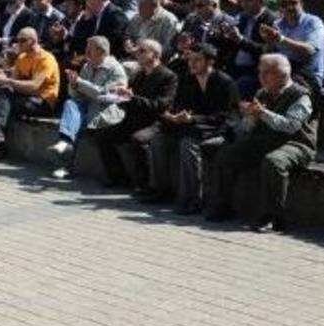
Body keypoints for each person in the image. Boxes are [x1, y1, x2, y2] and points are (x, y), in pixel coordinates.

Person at [206, 54, 316, 233]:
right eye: (260, 72)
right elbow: (248, 128)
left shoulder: (301, 96)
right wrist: (249, 116)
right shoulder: (262, 93)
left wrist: (263, 113)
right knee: (226, 154)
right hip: (265, 139)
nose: (261, 77)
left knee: (273, 162)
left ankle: (272, 217)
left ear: (282, 75)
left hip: (296, 143)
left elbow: (291, 126)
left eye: (267, 73)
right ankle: (222, 206)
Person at [150, 43, 239, 213]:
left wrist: (193, 118)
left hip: (217, 130)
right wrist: (173, 116)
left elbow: (227, 116)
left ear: (210, 62)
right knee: (158, 139)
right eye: (190, 60)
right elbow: (180, 105)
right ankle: (160, 190)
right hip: (190, 126)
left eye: (197, 60)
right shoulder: (187, 79)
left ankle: (192, 200)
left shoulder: (225, 82)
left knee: (188, 144)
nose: (192, 64)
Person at [91, 39, 178, 191]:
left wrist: (132, 98)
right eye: (137, 51)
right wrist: (119, 96)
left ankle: (145, 185)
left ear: (155, 55)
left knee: (139, 139)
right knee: (102, 135)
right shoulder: (139, 74)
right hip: (134, 119)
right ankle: (118, 177)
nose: (137, 54)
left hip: (155, 122)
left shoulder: (168, 76)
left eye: (142, 51)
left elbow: (160, 106)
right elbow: (130, 98)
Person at [51, 36, 128, 180]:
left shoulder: (116, 70)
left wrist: (80, 82)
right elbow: (77, 95)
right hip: (86, 106)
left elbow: (103, 94)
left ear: (101, 51)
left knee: (74, 125)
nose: (85, 52)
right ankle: (66, 139)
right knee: (70, 104)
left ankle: (65, 156)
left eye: (89, 49)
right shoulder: (87, 66)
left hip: (103, 110)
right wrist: (73, 85)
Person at [0, 28, 60, 151]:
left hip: (43, 101)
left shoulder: (46, 59)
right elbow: (12, 83)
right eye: (17, 40)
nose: (18, 43)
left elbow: (34, 86)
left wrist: (7, 81)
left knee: (5, 101)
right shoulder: (21, 58)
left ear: (33, 41)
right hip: (25, 97)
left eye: (22, 40)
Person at [261, 0, 324, 90]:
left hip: (307, 76)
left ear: (301, 4)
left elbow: (309, 50)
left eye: (293, 2)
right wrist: (269, 42)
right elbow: (269, 54)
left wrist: (281, 39)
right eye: (284, 4)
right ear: (279, 8)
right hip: (282, 73)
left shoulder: (313, 22)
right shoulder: (277, 24)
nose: (289, 7)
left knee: (280, 87)